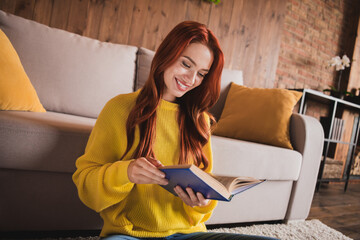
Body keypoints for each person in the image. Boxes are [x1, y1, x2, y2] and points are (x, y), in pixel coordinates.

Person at [73, 21, 277, 240]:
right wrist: (126, 172)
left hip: (187, 235)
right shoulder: (120, 108)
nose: (191, 80)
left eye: (201, 74)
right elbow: (87, 188)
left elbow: (202, 203)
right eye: (186, 64)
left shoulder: (200, 121)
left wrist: (202, 204)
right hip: (130, 235)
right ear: (167, 55)